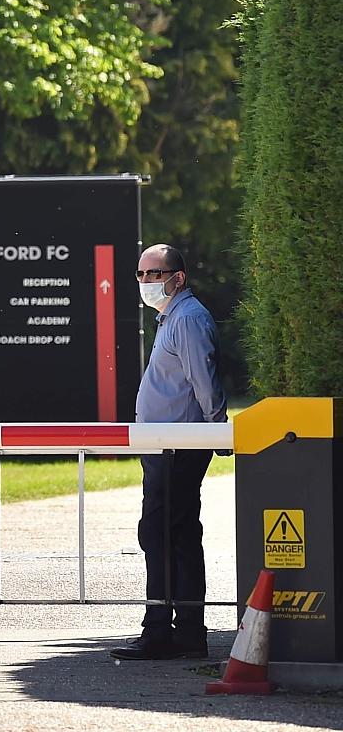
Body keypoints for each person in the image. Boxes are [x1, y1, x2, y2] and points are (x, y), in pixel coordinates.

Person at [110, 244, 226, 661]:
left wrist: (216, 431)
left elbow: (205, 381)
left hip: (179, 445)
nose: (146, 283)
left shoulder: (188, 319)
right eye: (141, 275)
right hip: (166, 445)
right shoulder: (171, 318)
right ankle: (180, 631)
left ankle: (166, 632)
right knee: (168, 535)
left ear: (178, 278)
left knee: (165, 536)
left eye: (155, 275)